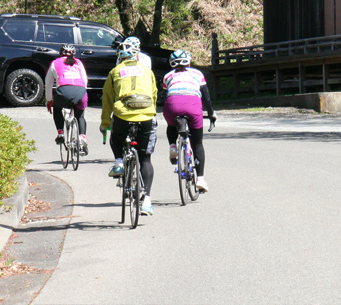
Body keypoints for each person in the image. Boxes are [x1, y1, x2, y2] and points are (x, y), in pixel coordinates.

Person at [101, 38, 158, 216]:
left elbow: (107, 99)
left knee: (116, 138)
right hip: (147, 114)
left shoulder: (115, 71)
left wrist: (104, 124)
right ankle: (147, 200)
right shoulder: (147, 71)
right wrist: (151, 113)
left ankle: (119, 162)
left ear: (119, 57)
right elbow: (154, 94)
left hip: (123, 114)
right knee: (145, 158)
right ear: (136, 56)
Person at [162, 49, 216, 193]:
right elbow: (206, 97)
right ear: (189, 62)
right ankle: (200, 179)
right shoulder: (198, 74)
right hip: (192, 105)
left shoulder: (168, 76)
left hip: (172, 105)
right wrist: (211, 114)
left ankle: (173, 146)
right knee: (197, 143)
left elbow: (165, 94)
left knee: (171, 124)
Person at [45, 44, 89, 154]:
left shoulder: (55, 63)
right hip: (80, 91)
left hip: (63, 92)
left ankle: (60, 134)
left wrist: (49, 100)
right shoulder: (79, 62)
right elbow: (85, 80)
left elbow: (48, 83)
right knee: (80, 116)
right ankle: (82, 138)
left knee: (57, 109)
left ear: (60, 53)